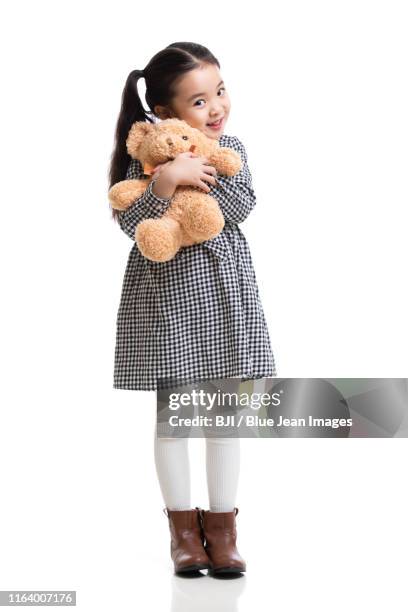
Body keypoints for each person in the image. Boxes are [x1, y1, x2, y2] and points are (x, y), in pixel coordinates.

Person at [108, 42, 278, 575]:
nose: (217, 108)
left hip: (226, 299)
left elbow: (239, 206)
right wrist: (164, 181)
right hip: (168, 305)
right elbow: (132, 226)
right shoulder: (143, 162)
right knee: (175, 422)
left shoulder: (234, 151)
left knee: (226, 418)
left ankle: (223, 530)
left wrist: (196, 170)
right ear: (164, 114)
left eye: (220, 92)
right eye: (199, 101)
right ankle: (184, 534)